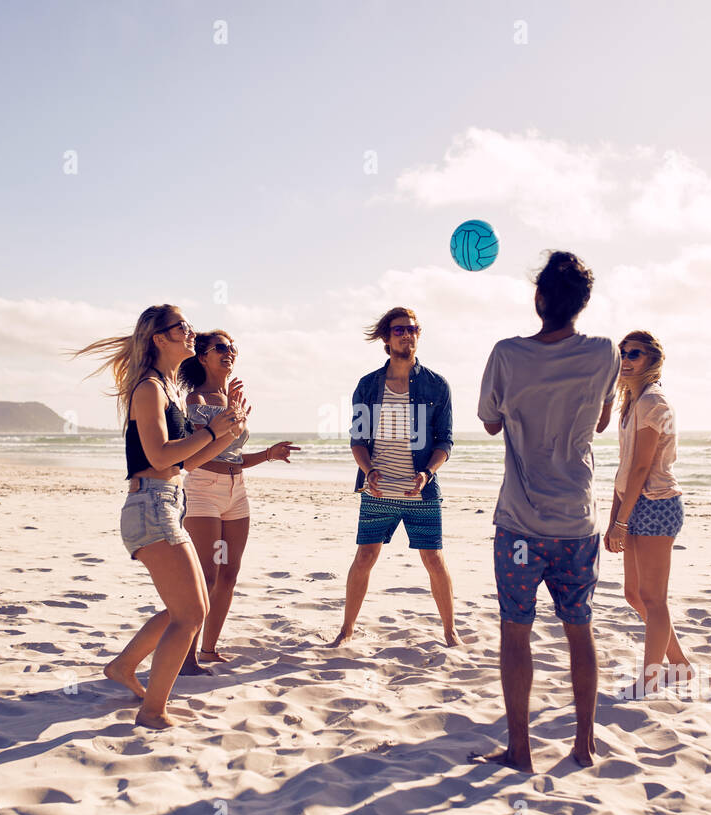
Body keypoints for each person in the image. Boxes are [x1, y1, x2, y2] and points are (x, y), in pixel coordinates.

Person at [472, 251, 619, 772]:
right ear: (582, 304)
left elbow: (490, 423)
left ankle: (521, 749)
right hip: (578, 521)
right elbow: (602, 423)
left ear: (538, 299)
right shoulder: (606, 352)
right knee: (580, 628)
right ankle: (583, 744)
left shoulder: (507, 355)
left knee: (516, 630)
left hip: (519, 521)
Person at [72, 304, 248, 729]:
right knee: (191, 613)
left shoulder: (167, 388)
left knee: (188, 607)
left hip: (168, 499)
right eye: (182, 327)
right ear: (160, 338)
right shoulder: (149, 389)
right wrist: (211, 431)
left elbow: (187, 463)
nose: (192, 332)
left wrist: (229, 431)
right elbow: (158, 456)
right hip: (150, 505)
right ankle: (152, 711)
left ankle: (123, 667)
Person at [331, 306, 458, 647]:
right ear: (386, 338)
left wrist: (427, 473)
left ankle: (450, 632)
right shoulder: (368, 385)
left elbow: (444, 441)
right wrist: (368, 470)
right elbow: (358, 440)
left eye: (413, 328)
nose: (407, 334)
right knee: (365, 557)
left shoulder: (436, 386)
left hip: (421, 492)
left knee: (433, 558)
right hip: (378, 491)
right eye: (400, 330)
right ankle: (346, 630)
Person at [178, 330, 300, 671]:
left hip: (237, 493)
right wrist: (229, 417)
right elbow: (200, 455)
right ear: (203, 357)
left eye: (232, 347)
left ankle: (208, 649)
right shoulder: (196, 402)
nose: (229, 352)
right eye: (221, 347)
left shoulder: (231, 400)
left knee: (229, 574)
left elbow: (234, 456)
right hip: (203, 491)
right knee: (208, 575)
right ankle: (185, 656)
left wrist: (269, 454)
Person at [604, 330, 691, 698]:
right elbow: (624, 467)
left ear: (652, 360)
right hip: (634, 502)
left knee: (654, 598)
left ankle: (652, 680)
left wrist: (621, 521)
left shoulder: (653, 402)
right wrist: (613, 517)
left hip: (656, 503)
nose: (625, 359)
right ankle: (681, 665)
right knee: (635, 595)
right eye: (622, 352)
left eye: (634, 354)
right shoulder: (632, 402)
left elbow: (641, 468)